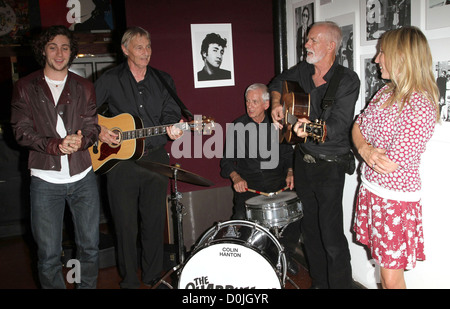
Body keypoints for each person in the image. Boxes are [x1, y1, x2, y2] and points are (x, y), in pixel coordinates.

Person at [269, 21, 360, 289]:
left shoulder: (346, 79)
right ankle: (319, 283)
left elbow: (337, 126)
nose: (306, 45)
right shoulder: (303, 70)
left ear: (331, 46)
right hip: (304, 161)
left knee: (331, 236)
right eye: (307, 40)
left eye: (312, 41)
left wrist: (306, 127)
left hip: (329, 166)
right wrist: (276, 103)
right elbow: (277, 81)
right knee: (310, 232)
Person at [10, 25, 101, 288]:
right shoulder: (26, 87)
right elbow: (20, 131)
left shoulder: (84, 86)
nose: (59, 53)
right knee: (49, 255)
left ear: (71, 52)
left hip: (83, 178)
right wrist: (55, 145)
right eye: (52, 47)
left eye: (64, 47)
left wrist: (83, 140)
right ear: (43, 51)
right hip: (45, 181)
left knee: (90, 249)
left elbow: (93, 127)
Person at [95, 26, 183, 289]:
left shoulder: (164, 79)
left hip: (155, 157)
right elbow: (84, 112)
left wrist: (173, 129)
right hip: (119, 163)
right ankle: (130, 279)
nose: (146, 52)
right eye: (139, 47)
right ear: (125, 50)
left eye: (148, 46)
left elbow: (171, 114)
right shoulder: (109, 79)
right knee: (124, 225)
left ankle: (153, 274)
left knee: (154, 221)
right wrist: (99, 130)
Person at [352, 27, 440, 289]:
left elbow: (389, 164)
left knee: (391, 278)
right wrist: (366, 149)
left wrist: (366, 147)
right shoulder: (386, 93)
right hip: (373, 193)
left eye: (382, 52)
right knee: (383, 270)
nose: (377, 59)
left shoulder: (420, 104)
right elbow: (357, 127)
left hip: (395, 204)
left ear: (402, 56)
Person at [220, 83, 294, 221]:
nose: (249, 106)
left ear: (266, 105)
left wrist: (290, 171)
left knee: (294, 218)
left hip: (278, 183)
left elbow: (288, 154)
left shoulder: (278, 124)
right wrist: (236, 178)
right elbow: (226, 161)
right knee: (241, 220)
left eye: (254, 102)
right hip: (249, 186)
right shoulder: (238, 126)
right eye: (247, 101)